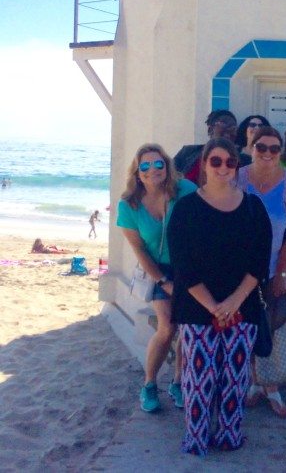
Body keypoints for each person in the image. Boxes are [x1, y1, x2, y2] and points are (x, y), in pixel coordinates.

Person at [168, 138, 272, 457]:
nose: (224, 167)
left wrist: (233, 303)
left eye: (230, 162)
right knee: (199, 380)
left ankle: (229, 435)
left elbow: (259, 262)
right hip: (198, 308)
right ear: (204, 164)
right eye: (216, 161)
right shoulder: (186, 209)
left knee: (234, 378)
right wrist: (214, 306)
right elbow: (182, 266)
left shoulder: (254, 208)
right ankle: (197, 438)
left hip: (241, 308)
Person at [117, 143, 197, 413]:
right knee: (167, 328)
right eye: (146, 166)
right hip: (156, 269)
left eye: (158, 163)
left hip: (188, 269)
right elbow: (138, 249)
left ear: (167, 165)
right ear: (138, 173)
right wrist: (163, 281)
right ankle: (150, 384)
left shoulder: (185, 190)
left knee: (189, 330)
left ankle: (178, 383)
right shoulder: (129, 204)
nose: (153, 170)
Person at [237, 126, 286, 417]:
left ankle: (273, 387)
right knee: (249, 327)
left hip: (278, 269)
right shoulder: (237, 178)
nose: (267, 153)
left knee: (276, 326)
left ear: (281, 152)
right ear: (251, 148)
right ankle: (255, 383)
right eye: (261, 147)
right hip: (242, 272)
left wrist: (280, 274)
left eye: (273, 148)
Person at [174, 110, 238, 183]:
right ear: (210, 130)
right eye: (222, 125)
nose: (227, 133)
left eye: (233, 128)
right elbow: (169, 175)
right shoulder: (187, 152)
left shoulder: (242, 159)